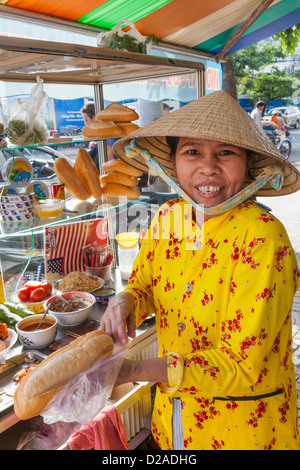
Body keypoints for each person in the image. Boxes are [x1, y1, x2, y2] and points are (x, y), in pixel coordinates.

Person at [100, 91, 300, 450]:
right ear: (173, 162)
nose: (208, 167)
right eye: (192, 151)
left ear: (249, 162)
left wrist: (131, 371)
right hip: (175, 418)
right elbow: (146, 284)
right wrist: (125, 299)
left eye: (226, 152)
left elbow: (240, 366)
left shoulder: (264, 239)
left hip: (240, 429)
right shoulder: (170, 217)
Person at [80, 102, 114, 169]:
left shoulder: (107, 133)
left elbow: (110, 163)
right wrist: (96, 144)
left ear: (94, 118)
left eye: (86, 120)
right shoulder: (103, 130)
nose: (85, 123)